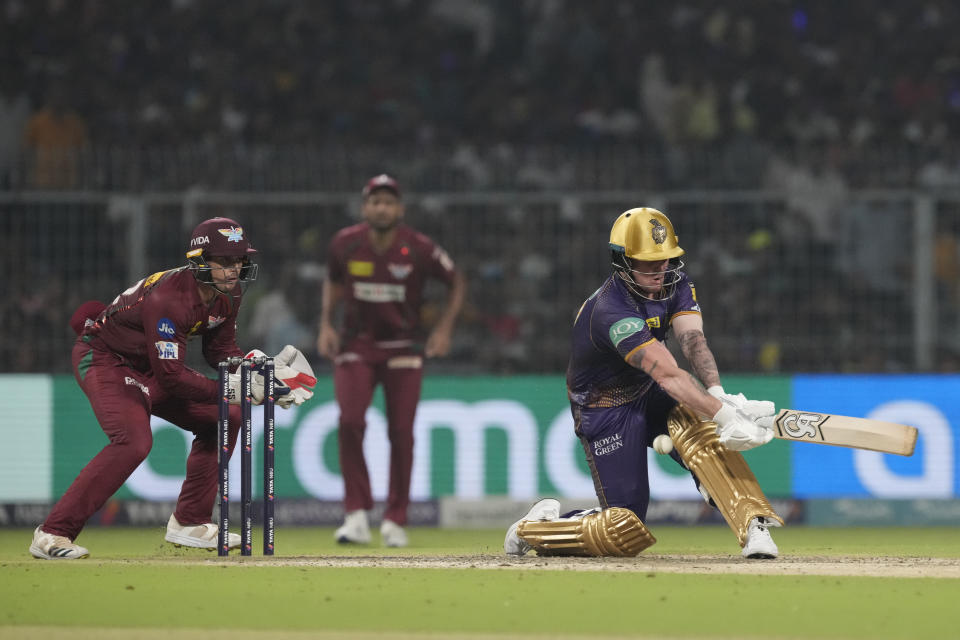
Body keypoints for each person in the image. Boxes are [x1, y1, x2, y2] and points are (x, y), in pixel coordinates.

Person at [503, 207, 782, 560]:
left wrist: (717, 396)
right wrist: (726, 416)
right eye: (648, 263)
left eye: (666, 260)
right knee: (624, 528)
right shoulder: (610, 310)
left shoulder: (676, 282)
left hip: (650, 391)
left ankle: (753, 527)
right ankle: (537, 528)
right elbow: (666, 372)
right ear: (621, 262)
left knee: (703, 434)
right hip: (605, 408)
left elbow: (693, 341)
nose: (659, 269)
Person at [29, 217, 315, 560]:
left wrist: (257, 372)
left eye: (238, 260)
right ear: (198, 259)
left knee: (225, 418)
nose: (233, 270)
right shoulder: (170, 298)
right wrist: (234, 388)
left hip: (149, 366)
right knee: (134, 441)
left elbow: (219, 351)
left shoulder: (229, 293)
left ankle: (189, 521)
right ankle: (53, 533)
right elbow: (172, 378)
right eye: (224, 261)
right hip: (106, 359)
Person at [317, 174, 466, 547]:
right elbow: (333, 282)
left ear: (400, 209)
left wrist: (444, 330)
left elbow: (456, 281)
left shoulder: (419, 247)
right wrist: (325, 324)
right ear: (364, 207)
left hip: (403, 349)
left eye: (388, 202)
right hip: (356, 346)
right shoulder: (345, 243)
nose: (381, 208)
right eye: (375, 201)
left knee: (401, 432)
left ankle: (395, 519)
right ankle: (355, 516)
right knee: (350, 422)